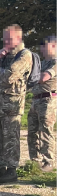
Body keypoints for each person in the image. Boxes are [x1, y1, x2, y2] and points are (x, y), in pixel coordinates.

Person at [0, 24, 33, 184]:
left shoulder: (25, 55)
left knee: (11, 139)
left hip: (12, 106)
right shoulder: (4, 56)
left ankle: (12, 171)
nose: (5, 42)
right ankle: (0, 169)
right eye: (4, 38)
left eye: (9, 39)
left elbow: (8, 76)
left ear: (18, 39)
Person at [28, 35, 57, 172]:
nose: (42, 49)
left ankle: (48, 162)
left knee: (45, 132)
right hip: (36, 100)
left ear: (53, 45)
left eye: (44, 46)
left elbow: (44, 77)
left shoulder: (55, 63)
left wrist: (31, 77)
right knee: (32, 132)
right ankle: (35, 161)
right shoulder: (41, 63)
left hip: (48, 100)